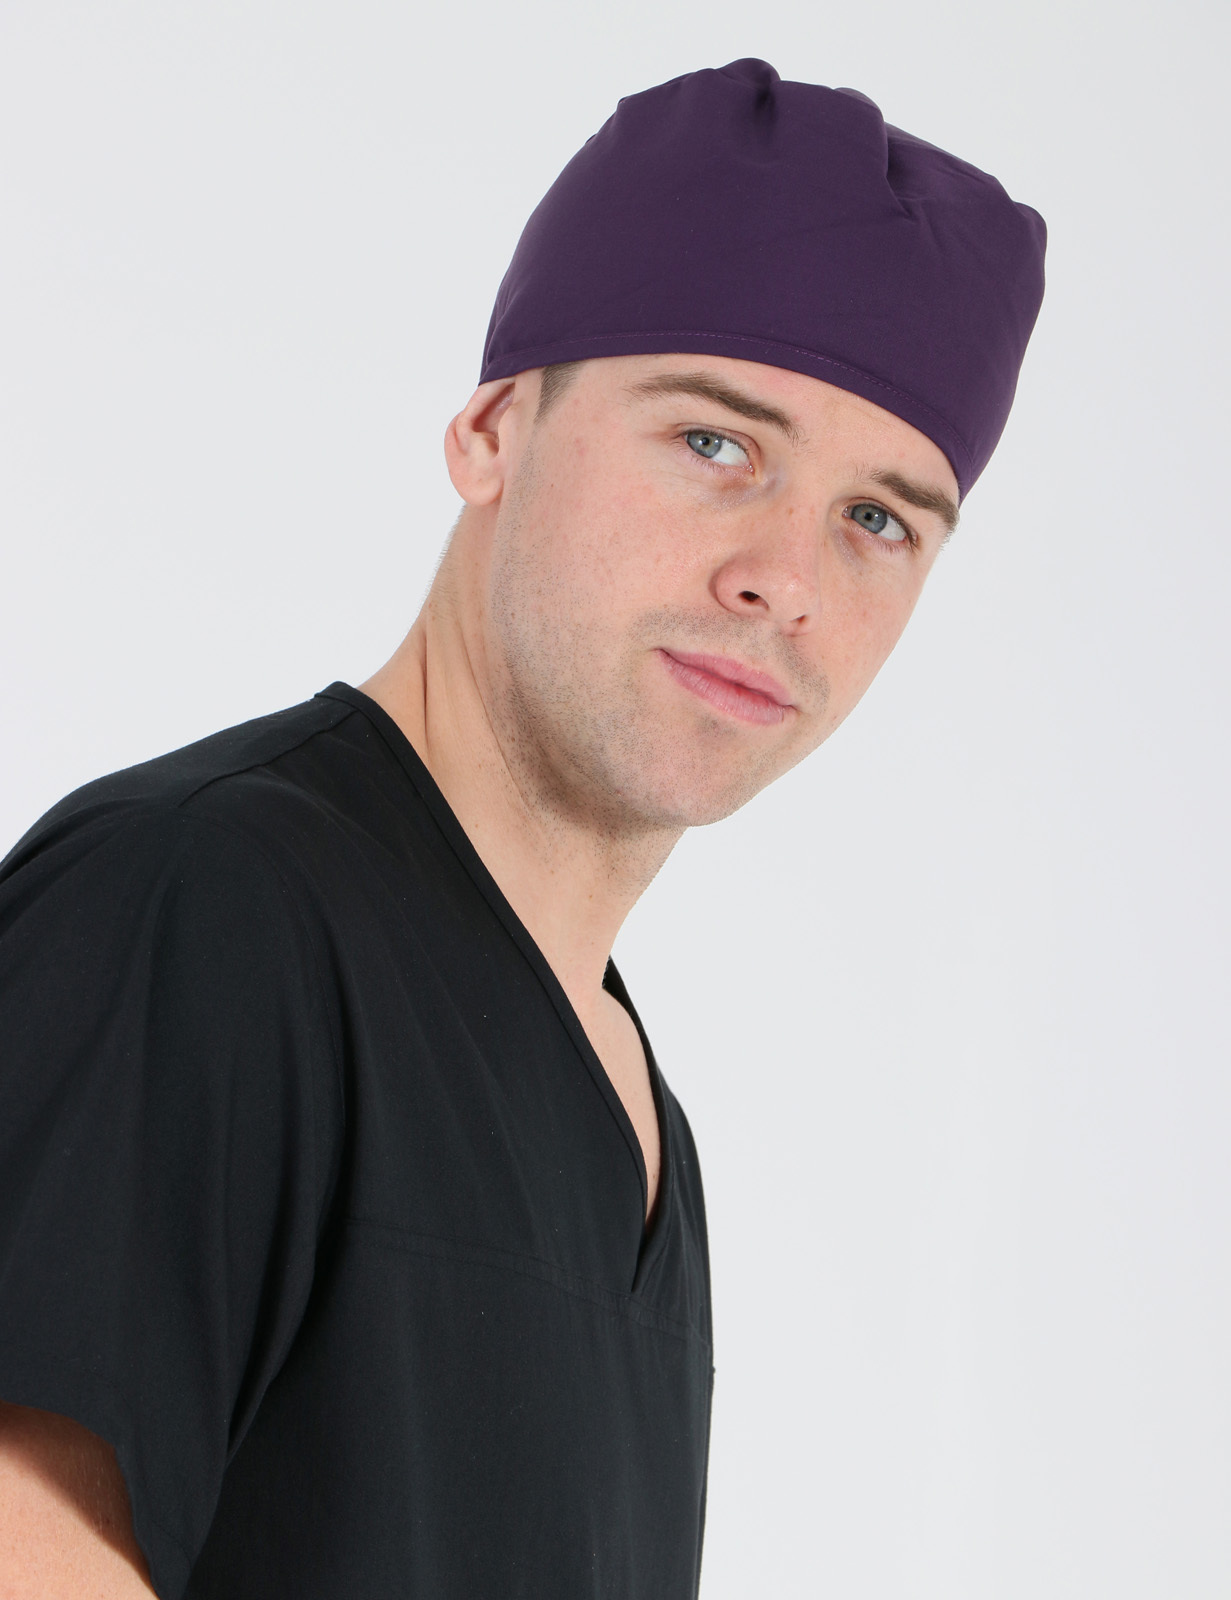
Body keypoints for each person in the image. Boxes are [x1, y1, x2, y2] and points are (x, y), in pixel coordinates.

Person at [0, 58, 1045, 1600]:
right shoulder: (201, 907)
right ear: (495, 425)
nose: (785, 578)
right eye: (715, 444)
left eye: (877, 519)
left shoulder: (634, 1126)